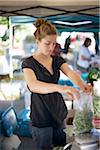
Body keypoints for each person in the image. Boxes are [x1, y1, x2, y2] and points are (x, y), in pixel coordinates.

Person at [22, 18, 92, 150]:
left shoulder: (56, 60)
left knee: (61, 147)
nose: (51, 48)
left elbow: (71, 73)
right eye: (47, 43)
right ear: (38, 42)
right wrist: (62, 88)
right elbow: (33, 85)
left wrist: (83, 86)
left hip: (58, 114)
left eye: (54, 44)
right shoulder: (28, 63)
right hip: (41, 117)